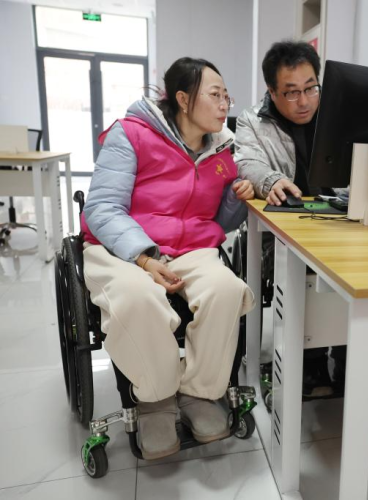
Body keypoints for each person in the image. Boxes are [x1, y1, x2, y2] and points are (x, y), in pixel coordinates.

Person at [81, 57, 256, 460]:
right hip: (122, 248)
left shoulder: (222, 150)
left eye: (227, 97)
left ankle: (199, 393)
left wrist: (236, 198)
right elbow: (102, 208)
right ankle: (156, 400)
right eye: (215, 95)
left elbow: (219, 222)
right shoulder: (132, 134)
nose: (224, 105)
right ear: (183, 99)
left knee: (226, 289)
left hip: (190, 248)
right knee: (138, 297)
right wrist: (144, 258)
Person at [234, 40, 345, 399]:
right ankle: (311, 360)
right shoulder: (253, 120)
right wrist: (270, 181)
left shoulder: (338, 111)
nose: (304, 101)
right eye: (292, 92)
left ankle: (351, 354)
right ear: (272, 91)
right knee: (307, 265)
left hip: (339, 222)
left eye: (311, 88)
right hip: (281, 231)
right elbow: (246, 162)